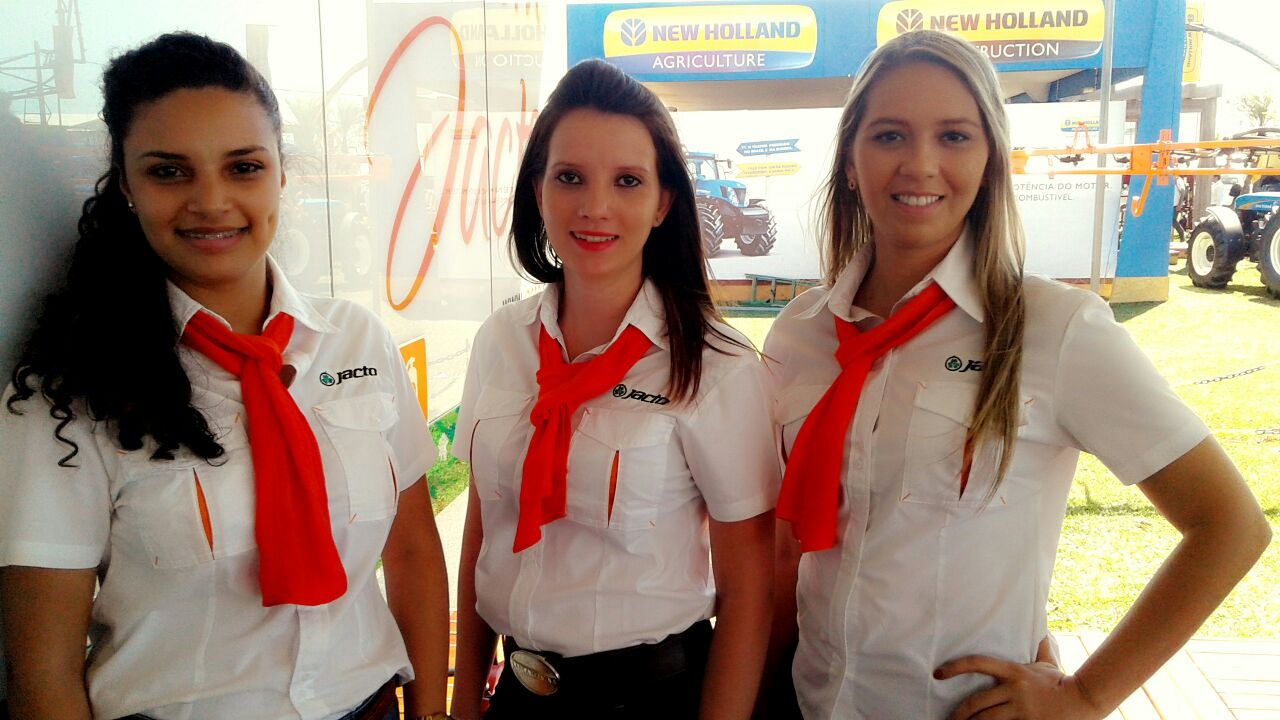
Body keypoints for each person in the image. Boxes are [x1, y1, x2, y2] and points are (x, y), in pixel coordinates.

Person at [763, 30, 1270, 719]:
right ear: (851, 162)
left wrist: (1086, 696)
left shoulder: (1056, 328)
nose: (920, 164)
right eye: (888, 136)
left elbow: (1230, 525)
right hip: (807, 699)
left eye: (954, 136)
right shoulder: (801, 332)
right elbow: (786, 542)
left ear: (990, 162)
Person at [0, 33, 451, 720]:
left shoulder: (356, 340)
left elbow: (414, 553)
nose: (211, 201)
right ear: (126, 186)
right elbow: (43, 669)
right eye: (168, 171)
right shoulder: (64, 394)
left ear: (280, 174)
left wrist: (430, 713)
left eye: (243, 167)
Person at [450, 59, 779, 720]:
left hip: (650, 698)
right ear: (538, 189)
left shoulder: (715, 366)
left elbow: (749, 590)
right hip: (518, 694)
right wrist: (462, 705)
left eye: (627, 181)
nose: (594, 207)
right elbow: (484, 529)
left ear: (663, 204)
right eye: (569, 177)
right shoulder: (501, 340)